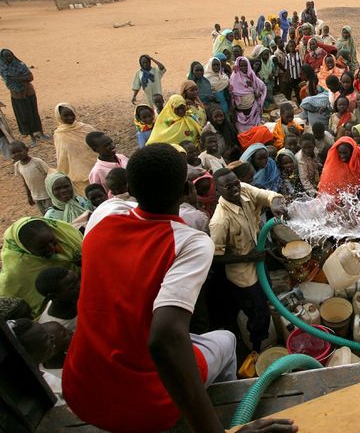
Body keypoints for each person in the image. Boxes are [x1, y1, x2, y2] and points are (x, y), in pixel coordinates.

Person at [63, 145, 289, 433]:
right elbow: (165, 338)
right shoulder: (191, 243)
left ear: (129, 187)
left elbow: (131, 209)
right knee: (227, 340)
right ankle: (227, 414)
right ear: (186, 190)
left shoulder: (104, 216)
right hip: (149, 405)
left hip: (81, 389)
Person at [210, 168, 287, 352]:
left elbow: (267, 195)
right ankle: (256, 347)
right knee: (258, 312)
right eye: (228, 186)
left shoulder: (243, 189)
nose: (235, 188)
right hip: (243, 276)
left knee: (268, 299)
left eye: (236, 182)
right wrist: (249, 257)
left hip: (259, 263)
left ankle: (266, 335)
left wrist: (275, 205)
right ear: (218, 190)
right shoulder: (220, 221)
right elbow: (215, 259)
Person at [0, 217, 82, 316]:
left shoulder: (64, 234)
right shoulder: (17, 272)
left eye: (52, 241)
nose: (52, 248)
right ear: (26, 249)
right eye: (42, 247)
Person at [0, 49, 47, 145]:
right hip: (17, 96)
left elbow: (30, 77)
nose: (9, 58)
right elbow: (8, 81)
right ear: (3, 58)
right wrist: (20, 79)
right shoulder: (2, 68)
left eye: (10, 55)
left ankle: (41, 133)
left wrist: (16, 79)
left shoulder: (20, 64)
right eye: (7, 56)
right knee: (24, 116)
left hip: (29, 93)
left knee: (34, 113)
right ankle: (32, 137)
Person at [53, 103, 97, 193]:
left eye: (71, 114)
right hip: (77, 176)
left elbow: (98, 143)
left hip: (95, 169)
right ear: (59, 116)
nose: (70, 118)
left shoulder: (86, 128)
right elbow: (62, 157)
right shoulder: (59, 135)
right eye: (65, 115)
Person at [11, 140, 53, 215]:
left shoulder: (37, 162)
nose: (17, 154)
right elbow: (25, 181)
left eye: (19, 151)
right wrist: (29, 196)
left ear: (26, 149)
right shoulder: (17, 165)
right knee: (45, 215)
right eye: (13, 153)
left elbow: (50, 174)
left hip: (48, 194)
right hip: (36, 196)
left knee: (52, 213)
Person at [229, 56, 267, 132]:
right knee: (243, 132)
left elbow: (262, 87)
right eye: (241, 66)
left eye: (245, 65)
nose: (243, 68)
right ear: (238, 66)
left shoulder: (251, 75)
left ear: (248, 65)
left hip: (252, 109)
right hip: (240, 111)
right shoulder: (234, 77)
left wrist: (254, 88)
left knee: (254, 130)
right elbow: (232, 93)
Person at [35, 267, 79, 331]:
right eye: (72, 287)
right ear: (53, 296)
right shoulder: (56, 329)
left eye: (78, 279)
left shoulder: (71, 298)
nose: (80, 285)